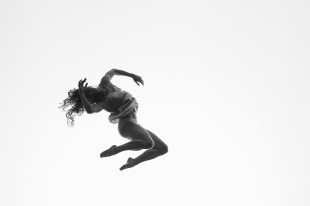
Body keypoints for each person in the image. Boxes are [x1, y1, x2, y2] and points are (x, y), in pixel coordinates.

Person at [59, 69, 168, 170]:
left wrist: (132, 75)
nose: (91, 99)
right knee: (148, 143)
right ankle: (116, 149)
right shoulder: (102, 103)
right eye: (89, 99)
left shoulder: (105, 83)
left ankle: (133, 161)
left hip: (135, 124)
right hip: (126, 125)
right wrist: (82, 94)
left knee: (162, 148)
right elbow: (90, 110)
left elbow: (114, 71)